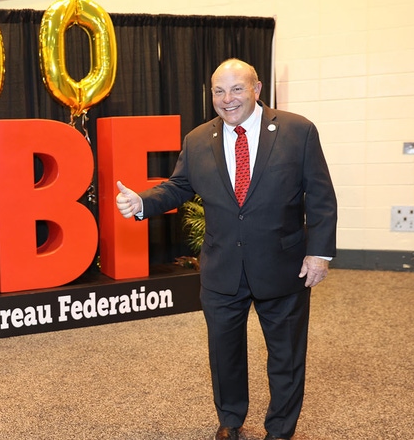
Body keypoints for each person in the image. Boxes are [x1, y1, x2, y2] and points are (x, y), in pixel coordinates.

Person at [115, 58, 337, 440]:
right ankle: (230, 420)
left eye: (236, 88)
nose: (227, 98)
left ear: (257, 89)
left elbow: (320, 196)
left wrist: (319, 253)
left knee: (286, 356)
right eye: (219, 90)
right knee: (224, 354)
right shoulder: (198, 138)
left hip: (283, 265)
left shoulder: (298, 131)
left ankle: (280, 430)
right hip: (222, 267)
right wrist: (143, 203)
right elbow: (180, 185)